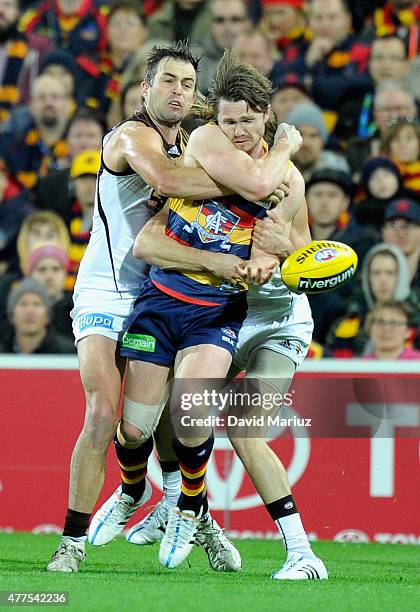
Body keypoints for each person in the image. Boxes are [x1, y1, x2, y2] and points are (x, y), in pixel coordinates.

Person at [46, 41, 282, 574]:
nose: (178, 91)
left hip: (167, 287)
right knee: (107, 415)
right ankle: (73, 541)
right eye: (168, 81)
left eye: (187, 84)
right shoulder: (131, 136)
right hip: (108, 290)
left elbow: (240, 133)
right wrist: (259, 180)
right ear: (145, 89)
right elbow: (171, 183)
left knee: (176, 421)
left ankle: (190, 514)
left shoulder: (194, 139)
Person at [91, 50, 327, 580]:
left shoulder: (291, 181)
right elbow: (171, 230)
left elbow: (303, 251)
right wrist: (235, 256)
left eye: (247, 119)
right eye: (227, 120)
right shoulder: (207, 152)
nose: (237, 130)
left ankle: (300, 554)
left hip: (275, 318)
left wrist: (277, 251)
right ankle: (177, 507)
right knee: (160, 420)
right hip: (216, 304)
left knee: (243, 431)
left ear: (265, 115)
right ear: (213, 121)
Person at [0, 278, 75, 354]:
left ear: (47, 316)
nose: (29, 311)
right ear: (12, 315)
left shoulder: (67, 353)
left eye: (37, 304)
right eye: (23, 304)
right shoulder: (2, 351)